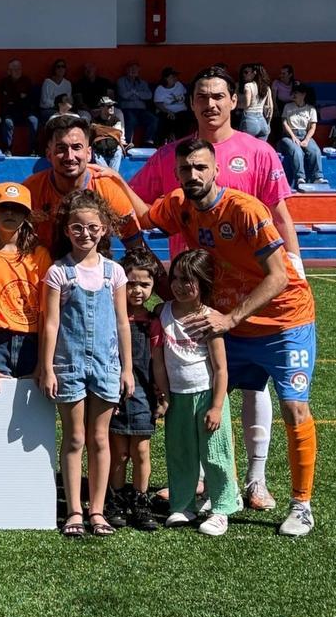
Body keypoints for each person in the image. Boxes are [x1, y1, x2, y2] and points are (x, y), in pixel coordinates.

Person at [129, 67, 301, 511]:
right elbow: (139, 207)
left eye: (219, 96)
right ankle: (203, 479)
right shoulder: (170, 156)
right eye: (202, 96)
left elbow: (280, 214)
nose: (210, 104)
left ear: (234, 101)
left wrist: (295, 264)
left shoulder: (259, 152)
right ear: (191, 104)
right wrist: (107, 181)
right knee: (199, 383)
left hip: (252, 295)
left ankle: (256, 479)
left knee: (252, 386)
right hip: (198, 296)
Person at [146, 138, 318, 536]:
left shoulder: (245, 209)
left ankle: (301, 505)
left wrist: (230, 318)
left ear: (216, 170)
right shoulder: (180, 205)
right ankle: (214, 488)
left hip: (283, 322)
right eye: (186, 169)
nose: (193, 175)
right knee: (206, 402)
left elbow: (278, 276)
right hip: (231, 322)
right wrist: (110, 184)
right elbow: (140, 216)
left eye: (201, 167)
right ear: (177, 174)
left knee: (294, 408)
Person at [38, 189, 133, 538]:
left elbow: (122, 322)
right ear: (67, 230)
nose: (85, 234)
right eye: (77, 227)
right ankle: (74, 511)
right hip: (69, 365)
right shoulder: (58, 272)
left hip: (106, 366)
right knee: (75, 437)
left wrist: (126, 368)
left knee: (100, 438)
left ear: (103, 229)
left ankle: (98, 510)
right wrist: (47, 367)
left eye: (92, 227)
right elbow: (50, 323)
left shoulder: (114, 272)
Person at [150, 248, 240, 536]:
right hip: (177, 398)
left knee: (215, 455)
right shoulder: (162, 312)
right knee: (181, 454)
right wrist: (164, 395)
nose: (179, 285)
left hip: (207, 396)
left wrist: (217, 406)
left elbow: (221, 369)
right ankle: (183, 504)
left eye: (187, 280)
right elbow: (159, 361)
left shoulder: (211, 319)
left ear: (203, 283)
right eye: (175, 278)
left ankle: (222, 508)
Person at [0, 184, 50, 388]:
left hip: (33, 343)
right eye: (4, 207)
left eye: (17, 209)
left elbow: (45, 314)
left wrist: (42, 363)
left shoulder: (40, 256)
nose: (10, 213)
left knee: (32, 406)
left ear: (27, 216)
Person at [27, 115, 148, 251]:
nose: (70, 157)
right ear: (49, 154)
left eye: (77, 147)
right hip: (46, 263)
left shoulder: (107, 187)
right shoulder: (31, 190)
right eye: (61, 148)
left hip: (96, 262)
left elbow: (137, 247)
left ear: (89, 153)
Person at [106, 249, 162, 532]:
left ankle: (141, 500)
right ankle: (115, 499)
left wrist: (162, 395)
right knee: (119, 452)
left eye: (144, 284)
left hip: (143, 395)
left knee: (140, 450)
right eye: (131, 283)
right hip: (113, 392)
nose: (137, 290)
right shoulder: (111, 318)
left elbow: (158, 362)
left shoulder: (153, 322)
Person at [279, 82, 323, 189]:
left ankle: (318, 177)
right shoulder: (287, 106)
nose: (294, 95)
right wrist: (293, 137)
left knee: (315, 150)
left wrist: (306, 140)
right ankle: (300, 178)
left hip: (305, 134)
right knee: (296, 151)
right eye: (293, 93)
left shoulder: (311, 109)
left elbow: (312, 127)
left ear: (303, 95)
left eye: (296, 93)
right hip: (289, 135)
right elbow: (284, 123)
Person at [0, 58, 37, 153]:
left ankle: (33, 149)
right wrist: (20, 97)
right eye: (14, 69)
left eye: (19, 69)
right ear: (9, 71)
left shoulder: (27, 81)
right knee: (7, 122)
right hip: (10, 112)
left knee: (34, 121)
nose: (17, 71)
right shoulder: (4, 82)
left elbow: (31, 99)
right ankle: (7, 149)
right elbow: (3, 100)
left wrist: (14, 99)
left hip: (25, 111)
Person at [116, 63, 156, 145]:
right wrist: (138, 94)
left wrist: (135, 93)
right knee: (131, 120)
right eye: (131, 69)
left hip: (141, 110)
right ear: (126, 70)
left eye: (135, 69)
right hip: (127, 109)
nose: (133, 71)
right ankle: (127, 144)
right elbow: (124, 95)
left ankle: (148, 142)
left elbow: (149, 95)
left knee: (153, 119)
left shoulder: (143, 83)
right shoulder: (121, 81)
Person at [89, 96, 127, 173]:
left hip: (112, 146)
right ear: (102, 108)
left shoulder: (116, 120)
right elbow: (92, 135)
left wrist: (100, 130)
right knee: (94, 151)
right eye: (109, 106)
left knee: (119, 150)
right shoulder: (94, 120)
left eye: (113, 105)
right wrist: (108, 131)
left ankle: (110, 174)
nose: (112, 107)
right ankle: (110, 174)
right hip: (99, 148)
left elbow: (116, 134)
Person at [237, 63, 274, 140]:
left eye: (247, 72)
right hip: (262, 121)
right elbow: (270, 107)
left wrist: (235, 105)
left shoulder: (248, 85)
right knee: (260, 147)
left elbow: (247, 104)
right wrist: (268, 124)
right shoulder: (266, 87)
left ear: (254, 73)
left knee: (245, 145)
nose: (244, 75)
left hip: (249, 119)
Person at [152, 67, 188, 143]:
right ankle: (165, 142)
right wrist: (168, 112)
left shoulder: (179, 85)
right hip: (166, 111)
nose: (175, 78)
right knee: (168, 119)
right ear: (165, 78)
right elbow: (158, 103)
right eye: (172, 76)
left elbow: (185, 94)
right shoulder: (160, 89)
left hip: (182, 111)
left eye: (176, 76)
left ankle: (181, 142)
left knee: (185, 118)